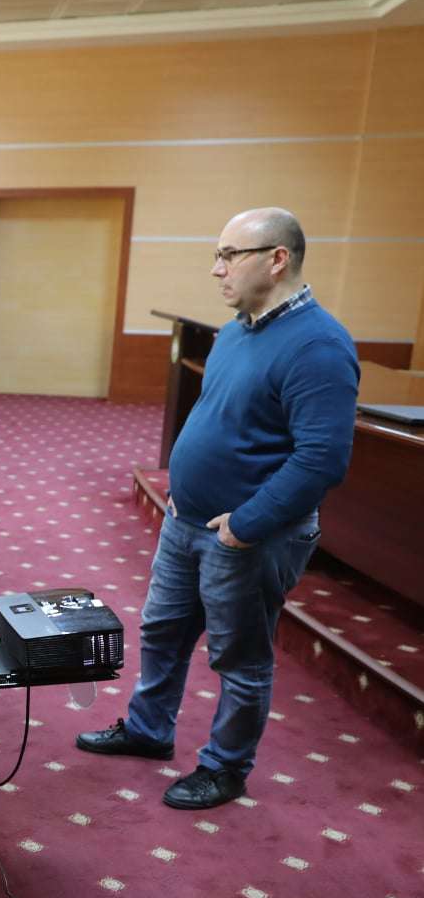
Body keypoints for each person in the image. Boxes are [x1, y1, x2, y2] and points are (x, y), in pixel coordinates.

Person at [77, 207, 359, 810]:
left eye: (230, 255)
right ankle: (149, 730)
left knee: (240, 658)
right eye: (218, 255)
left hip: (248, 534)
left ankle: (226, 768)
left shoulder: (319, 345)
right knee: (163, 631)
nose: (217, 269)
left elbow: (321, 461)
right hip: (186, 520)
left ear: (277, 259)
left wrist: (246, 525)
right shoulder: (236, 331)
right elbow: (220, 419)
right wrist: (185, 486)